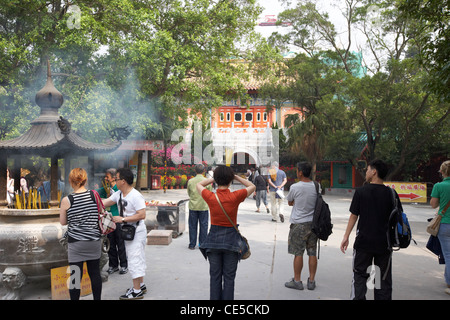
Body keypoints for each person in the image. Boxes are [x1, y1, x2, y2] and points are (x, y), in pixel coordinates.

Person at [340, 159, 403, 300]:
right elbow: (397, 218)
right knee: (382, 280)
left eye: (368, 169)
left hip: (363, 243)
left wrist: (346, 236)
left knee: (360, 277)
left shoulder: (361, 192)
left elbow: (354, 216)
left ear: (374, 172)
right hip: (384, 244)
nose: (366, 172)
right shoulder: (391, 194)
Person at [197, 166, 255, 300]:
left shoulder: (211, 196)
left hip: (213, 242)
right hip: (231, 243)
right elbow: (252, 186)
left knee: (214, 277)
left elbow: (199, 184)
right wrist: (235, 176)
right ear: (230, 181)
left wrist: (214, 178)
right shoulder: (235, 196)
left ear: (216, 180)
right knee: (229, 279)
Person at [103, 168, 147, 300]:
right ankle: (141, 285)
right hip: (128, 231)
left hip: (136, 231)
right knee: (137, 257)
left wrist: (122, 219)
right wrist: (90, 199)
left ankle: (136, 291)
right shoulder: (119, 194)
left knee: (134, 259)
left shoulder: (136, 195)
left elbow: (142, 215)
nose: (114, 181)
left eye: (116, 178)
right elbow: (106, 202)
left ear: (123, 181)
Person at [59, 168, 103, 300]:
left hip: (76, 243)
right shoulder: (94, 196)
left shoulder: (67, 200)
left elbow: (63, 222)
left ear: (70, 181)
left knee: (75, 277)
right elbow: (99, 213)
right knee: (95, 274)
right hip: (93, 241)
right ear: (85, 180)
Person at [285, 162, 318, 291]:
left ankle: (297, 281)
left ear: (300, 172)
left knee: (298, 253)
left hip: (299, 225)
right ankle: (311, 281)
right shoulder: (317, 186)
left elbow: (289, 202)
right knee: (312, 253)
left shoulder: (295, 187)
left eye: (297, 170)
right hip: (313, 225)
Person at [96, 168, 128, 275]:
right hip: (108, 219)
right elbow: (96, 193)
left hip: (118, 218)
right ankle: (113, 265)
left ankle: (123, 265)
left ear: (114, 178)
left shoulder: (118, 189)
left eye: (107, 177)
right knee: (110, 242)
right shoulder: (106, 188)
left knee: (120, 242)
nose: (105, 179)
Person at [430, 160, 450, 296]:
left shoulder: (439, 186)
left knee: (448, 255)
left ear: (442, 172)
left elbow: (433, 204)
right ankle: (447, 279)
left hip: (445, 223)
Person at [187, 164, 212, 250]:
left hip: (193, 206)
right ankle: (202, 244)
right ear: (204, 171)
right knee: (204, 226)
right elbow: (210, 194)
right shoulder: (207, 181)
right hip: (203, 206)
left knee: (192, 225)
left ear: (195, 171)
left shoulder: (190, 181)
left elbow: (189, 193)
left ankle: (192, 244)